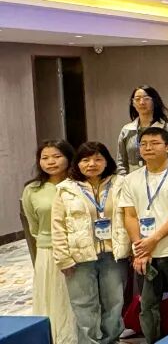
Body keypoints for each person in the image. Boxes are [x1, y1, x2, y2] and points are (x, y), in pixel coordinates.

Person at [118, 127, 168, 343]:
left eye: (154, 143)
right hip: (146, 254)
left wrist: (153, 240)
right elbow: (130, 216)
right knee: (147, 305)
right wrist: (140, 248)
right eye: (143, 144)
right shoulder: (131, 179)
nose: (148, 148)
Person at [52, 142, 130, 344]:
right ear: (77, 163)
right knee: (84, 306)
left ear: (107, 161)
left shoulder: (121, 184)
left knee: (114, 303)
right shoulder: (65, 189)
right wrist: (63, 258)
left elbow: (131, 215)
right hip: (79, 257)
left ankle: (111, 340)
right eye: (85, 160)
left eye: (98, 159)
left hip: (114, 255)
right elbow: (58, 226)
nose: (92, 164)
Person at [22, 140, 77, 344]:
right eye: (44, 158)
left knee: (75, 297)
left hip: (77, 249)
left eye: (56, 156)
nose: (50, 162)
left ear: (68, 157)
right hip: (48, 251)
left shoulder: (78, 184)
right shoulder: (32, 190)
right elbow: (33, 226)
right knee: (52, 297)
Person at [117, 85, 168, 176]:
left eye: (146, 98)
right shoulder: (126, 130)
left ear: (154, 101)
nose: (141, 102)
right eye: (137, 99)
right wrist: (125, 180)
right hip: (132, 180)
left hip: (162, 178)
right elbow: (121, 162)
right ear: (133, 103)